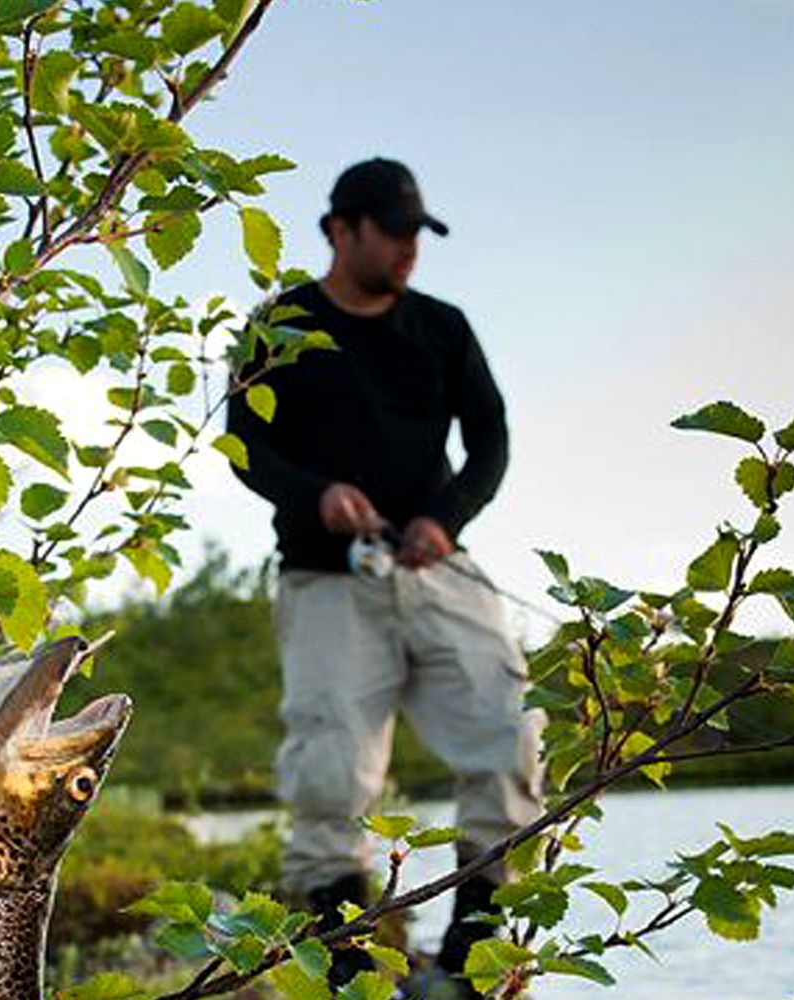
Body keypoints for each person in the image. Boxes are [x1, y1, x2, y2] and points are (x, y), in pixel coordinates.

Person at [225, 158, 541, 995]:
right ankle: (346, 967)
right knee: (332, 771)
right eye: (395, 233)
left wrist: (447, 518)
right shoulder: (278, 326)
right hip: (326, 581)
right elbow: (245, 448)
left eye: (417, 235)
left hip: (436, 564)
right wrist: (316, 493)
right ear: (342, 230)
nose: (409, 251)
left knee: (511, 731)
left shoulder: (443, 328)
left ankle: (474, 945)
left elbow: (492, 442)